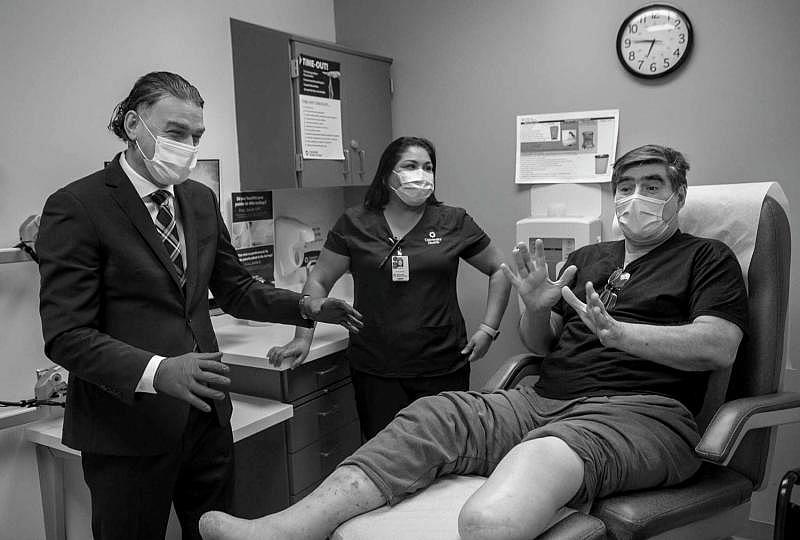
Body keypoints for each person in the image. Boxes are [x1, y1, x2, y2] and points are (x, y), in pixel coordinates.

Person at [199, 144, 747, 540]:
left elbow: (718, 346)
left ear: (679, 195)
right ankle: (286, 531)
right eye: (625, 188)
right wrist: (533, 310)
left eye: (652, 187)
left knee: (500, 505)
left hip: (638, 412)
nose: (635, 198)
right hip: (543, 400)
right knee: (431, 416)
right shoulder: (590, 260)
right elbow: (542, 343)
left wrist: (621, 334)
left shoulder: (706, 258)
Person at [37, 71, 362, 540]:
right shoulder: (78, 206)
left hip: (206, 419)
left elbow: (236, 289)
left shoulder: (197, 199)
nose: (188, 146)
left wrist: (305, 308)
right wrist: (156, 371)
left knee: (214, 532)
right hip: (127, 430)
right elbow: (67, 334)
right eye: (175, 133)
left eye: (196, 135)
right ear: (133, 125)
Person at [266, 136, 511, 439]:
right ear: (387, 175)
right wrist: (303, 335)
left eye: (428, 167)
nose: (421, 174)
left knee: (446, 454)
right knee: (384, 457)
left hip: (442, 365)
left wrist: (489, 328)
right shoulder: (355, 223)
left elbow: (499, 270)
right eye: (410, 166)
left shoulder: (452, 221)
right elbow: (319, 279)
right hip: (376, 368)